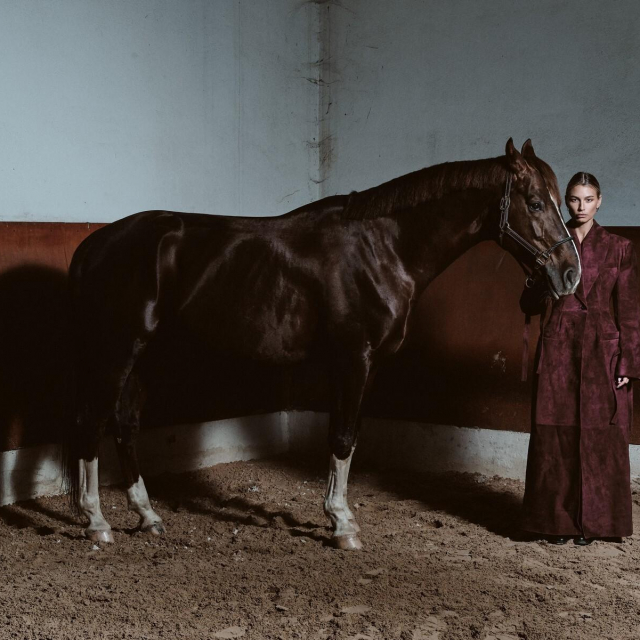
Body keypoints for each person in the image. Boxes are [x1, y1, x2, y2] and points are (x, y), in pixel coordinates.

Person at [520, 172, 640, 545]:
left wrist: (628, 363)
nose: (581, 207)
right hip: (558, 349)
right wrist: (540, 276)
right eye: (574, 200)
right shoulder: (550, 242)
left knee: (600, 438)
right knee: (555, 436)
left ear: (600, 201)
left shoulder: (619, 247)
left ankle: (595, 524)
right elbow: (526, 303)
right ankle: (556, 524)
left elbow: (632, 311)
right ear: (565, 202)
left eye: (588, 199)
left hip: (603, 352)